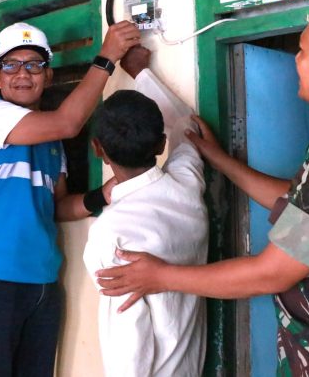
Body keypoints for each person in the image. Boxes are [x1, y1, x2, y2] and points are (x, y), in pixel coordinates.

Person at [96, 0, 309, 375]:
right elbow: (305, 204)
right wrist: (220, 159)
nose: (296, 60)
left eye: (302, 51)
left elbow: (272, 272)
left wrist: (160, 276)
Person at [0, 20, 140, 376]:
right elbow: (69, 122)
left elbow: (57, 206)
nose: (22, 74)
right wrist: (106, 57)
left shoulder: (50, 141)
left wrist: (103, 195)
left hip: (42, 279)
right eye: (11, 65)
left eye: (34, 65)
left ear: (48, 76)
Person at [82, 46, 208, 377]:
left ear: (98, 150)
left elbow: (130, 342)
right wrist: (141, 73)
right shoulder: (186, 185)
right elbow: (185, 126)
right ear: (160, 145)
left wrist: (138, 73)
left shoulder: (110, 232)